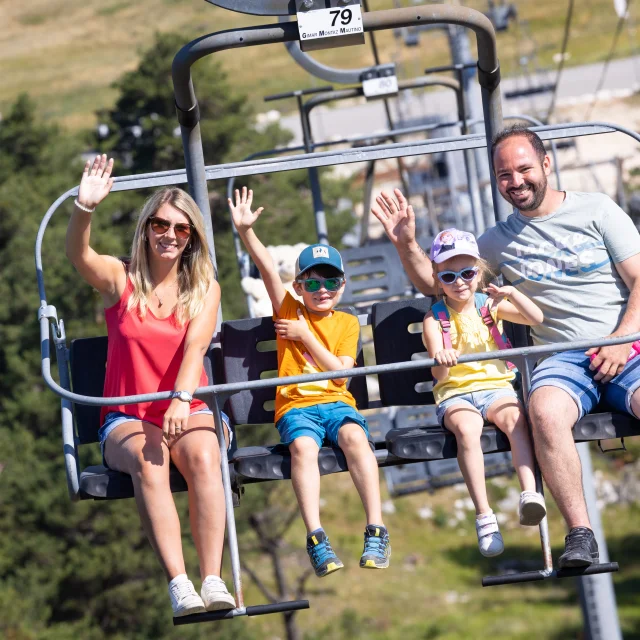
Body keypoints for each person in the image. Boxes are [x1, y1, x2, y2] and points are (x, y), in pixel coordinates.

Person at [372, 124, 640, 569]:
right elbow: (442, 284)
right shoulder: (495, 243)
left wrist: (620, 339)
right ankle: (580, 533)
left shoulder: (598, 211)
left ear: (546, 165)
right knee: (544, 412)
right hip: (562, 358)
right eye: (504, 176)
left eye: (524, 170)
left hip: (625, 345)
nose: (516, 182)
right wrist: (406, 243)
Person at [66, 155, 236, 616]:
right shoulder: (120, 279)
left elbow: (195, 350)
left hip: (188, 405)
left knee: (204, 455)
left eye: (182, 230)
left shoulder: (203, 287)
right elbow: (79, 256)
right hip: (128, 416)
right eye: (161, 225)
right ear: (146, 229)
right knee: (149, 458)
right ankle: (179, 584)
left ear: (192, 238)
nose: (170, 236)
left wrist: (182, 399)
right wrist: (85, 208)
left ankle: (213, 578)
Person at [229, 186, 391, 577]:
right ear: (298, 287)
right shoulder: (288, 307)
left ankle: (376, 526)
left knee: (355, 439)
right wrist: (246, 233)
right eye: (313, 283)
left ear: (342, 287)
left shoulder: (347, 322)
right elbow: (268, 269)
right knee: (302, 448)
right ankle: (316, 536)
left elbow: (342, 371)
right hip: (297, 406)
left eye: (330, 283)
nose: (322, 291)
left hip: (337, 404)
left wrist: (304, 336)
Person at [423, 228, 546, 557]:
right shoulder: (434, 320)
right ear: (437, 279)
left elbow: (535, 318)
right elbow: (438, 373)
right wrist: (443, 359)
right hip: (456, 394)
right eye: (449, 276)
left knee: (516, 419)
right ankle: (484, 514)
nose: (459, 282)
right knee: (468, 429)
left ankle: (529, 493)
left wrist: (512, 295)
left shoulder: (488, 307)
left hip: (494, 388)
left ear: (479, 272)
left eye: (467, 273)